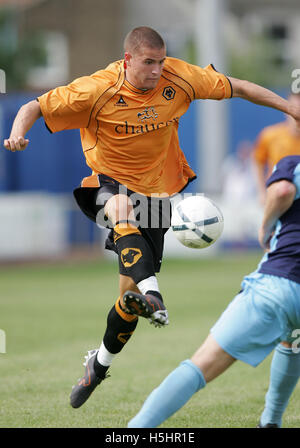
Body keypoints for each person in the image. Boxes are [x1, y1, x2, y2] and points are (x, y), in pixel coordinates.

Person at [3, 27, 300, 411]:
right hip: (105, 183)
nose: (158, 70)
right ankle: (156, 296)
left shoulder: (180, 77)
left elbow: (239, 86)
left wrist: (289, 107)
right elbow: (34, 107)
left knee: (127, 302)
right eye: (148, 62)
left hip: (158, 195)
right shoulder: (95, 90)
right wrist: (15, 132)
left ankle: (100, 363)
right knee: (121, 211)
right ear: (128, 60)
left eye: (161, 61)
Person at [127, 154, 300, 428]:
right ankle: (271, 422)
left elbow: (282, 189)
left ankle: (135, 430)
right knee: (292, 341)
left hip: (280, 283)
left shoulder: (294, 163)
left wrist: (265, 226)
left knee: (200, 365)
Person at [253, 93, 300, 205]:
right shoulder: (270, 135)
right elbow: (257, 162)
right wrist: (261, 192)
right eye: (294, 109)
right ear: (286, 110)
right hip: (277, 195)